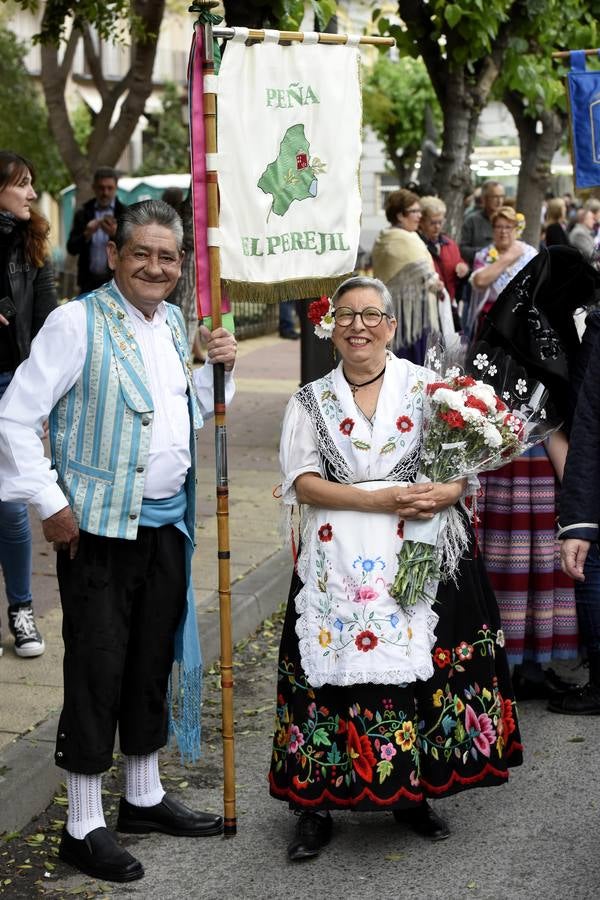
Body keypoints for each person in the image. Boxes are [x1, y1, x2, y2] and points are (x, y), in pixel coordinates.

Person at [0, 200, 237, 883]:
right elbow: (15, 419)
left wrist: (212, 371)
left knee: (148, 660)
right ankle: (81, 826)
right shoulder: (75, 322)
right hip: (97, 531)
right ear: (114, 254)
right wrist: (50, 503)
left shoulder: (171, 325)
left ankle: (142, 796)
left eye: (168, 257)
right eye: (142, 254)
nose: (155, 267)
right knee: (97, 669)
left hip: (165, 525)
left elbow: (176, 419)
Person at [269, 275, 522, 862]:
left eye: (371, 314)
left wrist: (447, 490)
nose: (359, 325)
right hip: (337, 559)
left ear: (392, 326)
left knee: (419, 671)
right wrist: (379, 500)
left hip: (420, 552)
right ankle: (315, 803)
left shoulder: (432, 389)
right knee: (325, 674)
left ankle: (414, 793)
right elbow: (302, 484)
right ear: (330, 326)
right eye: (347, 315)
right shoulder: (309, 401)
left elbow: (465, 465)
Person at [471, 247, 600, 699]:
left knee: (505, 569)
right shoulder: (556, 332)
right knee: (542, 570)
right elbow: (559, 417)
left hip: (496, 470)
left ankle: (502, 663)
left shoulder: (505, 324)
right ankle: (532, 663)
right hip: (543, 468)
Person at [0, 150, 57, 658]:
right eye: (21, 184)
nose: (32, 194)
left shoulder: (32, 244)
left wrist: (40, 398)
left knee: (11, 503)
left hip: (10, 386)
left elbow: (48, 327)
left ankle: (21, 609)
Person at [371, 189, 451, 363]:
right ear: (400, 215)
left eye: (419, 211)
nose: (419, 216)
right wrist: (435, 283)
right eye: (414, 211)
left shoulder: (397, 237)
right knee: (411, 365)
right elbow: (428, 276)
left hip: (411, 313)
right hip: (409, 318)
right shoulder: (400, 239)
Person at [466, 206, 537, 340]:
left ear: (516, 229)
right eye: (498, 227)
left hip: (521, 319)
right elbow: (480, 281)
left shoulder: (530, 253)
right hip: (492, 317)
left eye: (508, 227)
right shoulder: (484, 255)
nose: (503, 232)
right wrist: (508, 257)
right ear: (492, 229)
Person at [67, 167, 125, 293]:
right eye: (101, 188)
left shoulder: (124, 213)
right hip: (88, 283)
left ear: (116, 188)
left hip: (116, 283)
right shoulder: (83, 213)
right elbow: (71, 248)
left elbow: (133, 249)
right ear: (94, 188)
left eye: (110, 188)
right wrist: (87, 233)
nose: (105, 192)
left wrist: (115, 235)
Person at [418, 195, 468, 324]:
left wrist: (463, 267)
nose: (437, 227)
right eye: (433, 223)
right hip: (425, 310)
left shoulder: (449, 244)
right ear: (421, 222)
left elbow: (458, 262)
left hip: (448, 306)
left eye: (440, 222)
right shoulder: (416, 245)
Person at [459, 180, 505, 267]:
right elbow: (463, 250)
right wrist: (488, 252)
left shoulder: (508, 219)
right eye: (495, 197)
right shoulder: (472, 220)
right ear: (484, 199)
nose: (499, 201)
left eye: (502, 197)